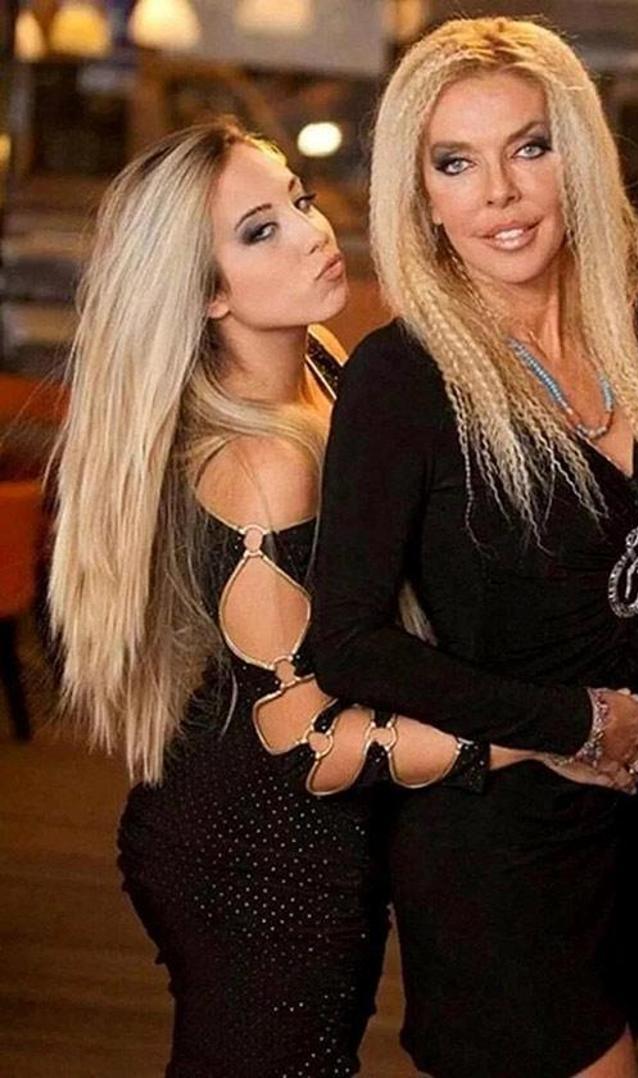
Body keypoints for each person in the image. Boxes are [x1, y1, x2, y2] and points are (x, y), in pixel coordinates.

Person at [311, 17, 638, 1078]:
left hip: (632, 822)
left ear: (577, 157)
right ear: (422, 196)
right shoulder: (402, 378)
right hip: (493, 841)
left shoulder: (633, 333)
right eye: (455, 163)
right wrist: (574, 721)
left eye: (529, 147)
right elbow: (348, 643)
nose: (500, 194)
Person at [47, 119, 532, 1077]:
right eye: (260, 230)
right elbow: (310, 742)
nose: (313, 233)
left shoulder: (320, 364)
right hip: (259, 856)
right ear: (209, 293)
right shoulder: (265, 467)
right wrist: (540, 742)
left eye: (299, 201)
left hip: (284, 835)